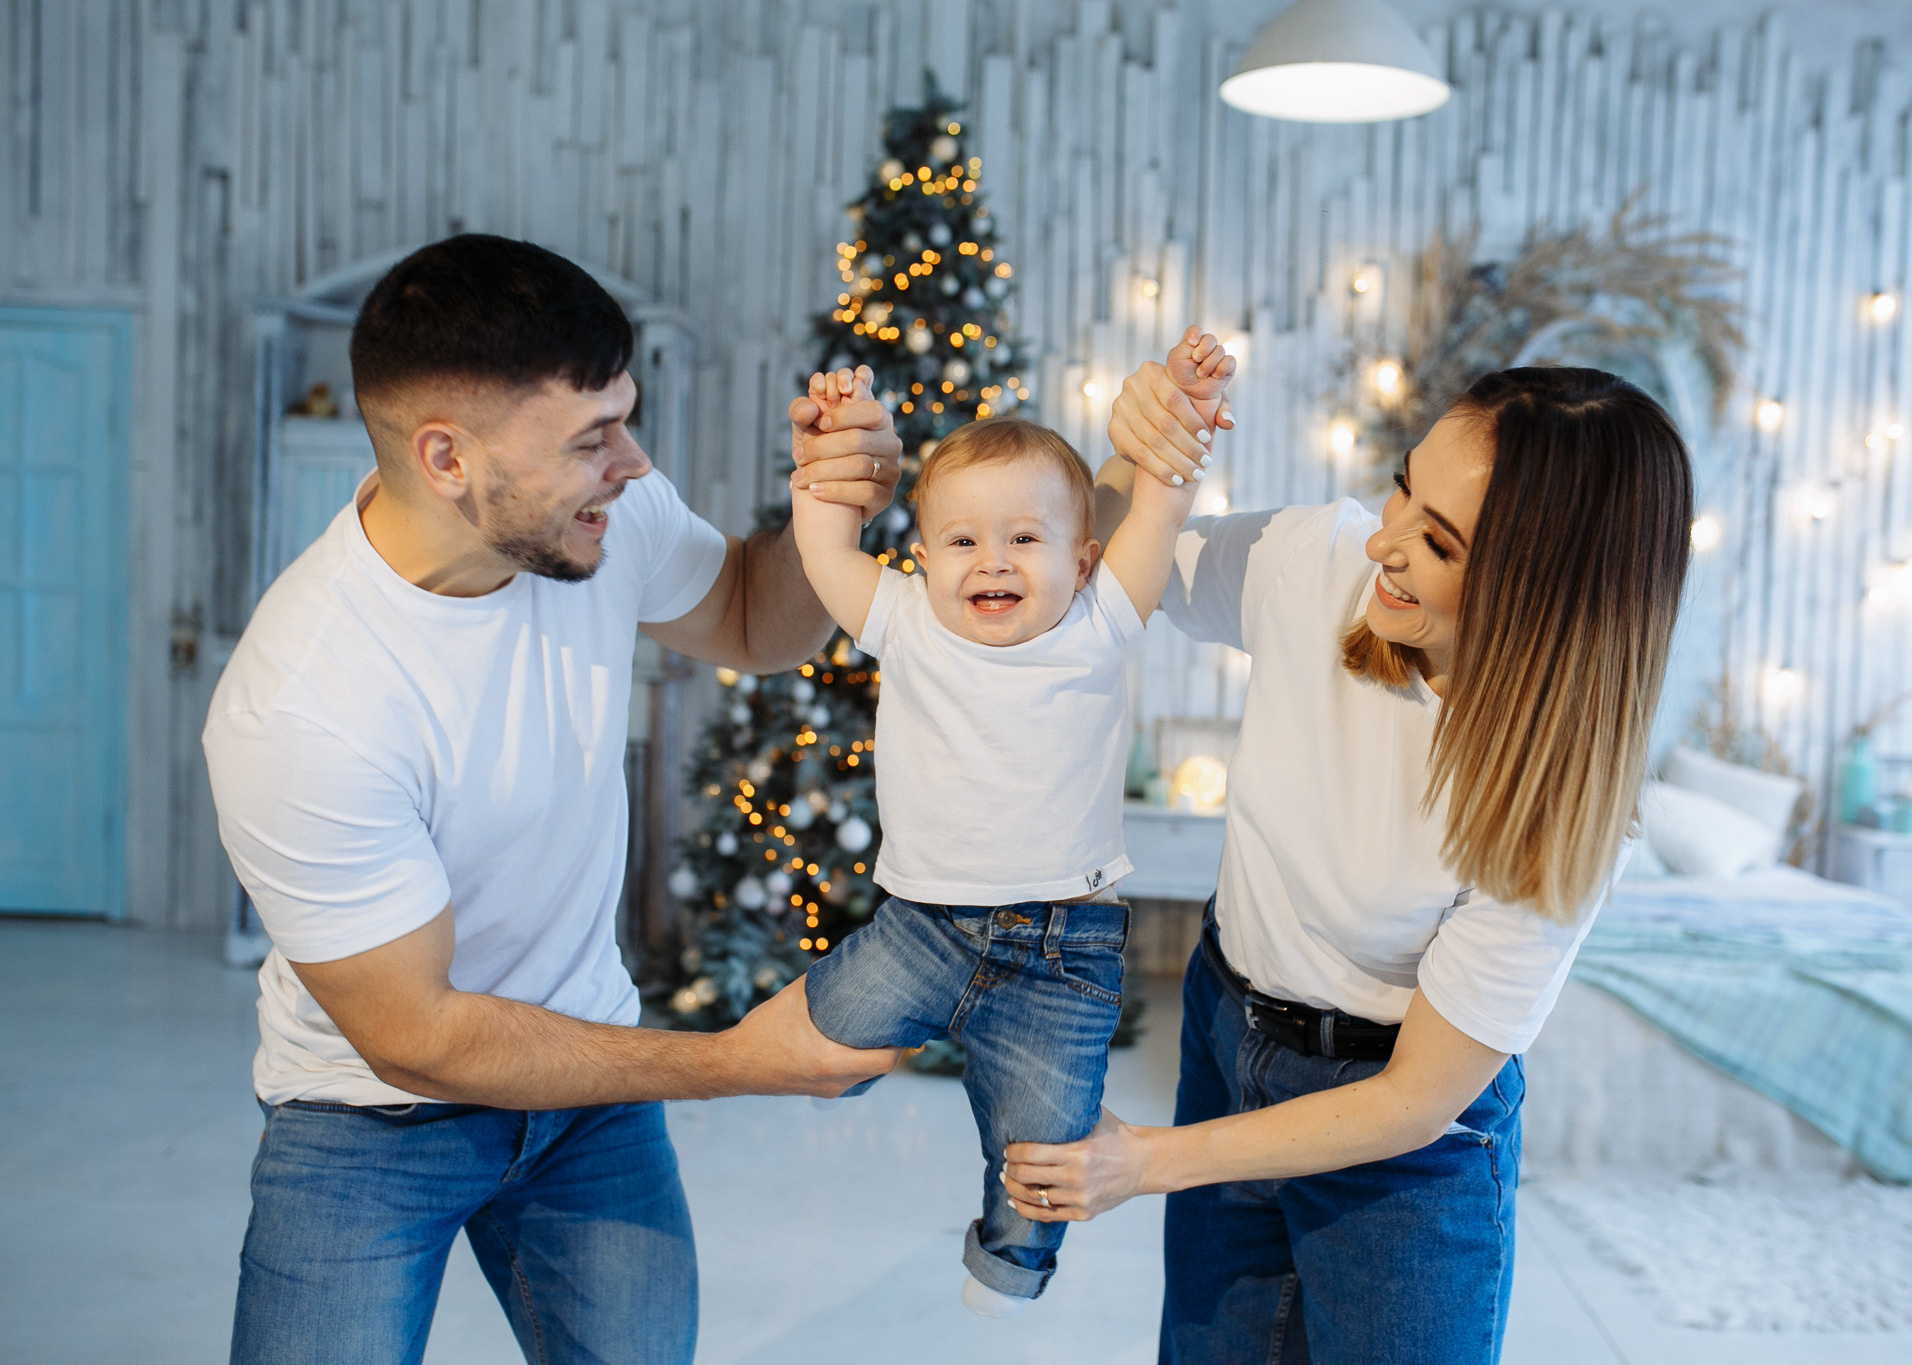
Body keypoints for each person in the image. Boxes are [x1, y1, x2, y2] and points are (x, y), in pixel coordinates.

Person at [203, 234, 903, 1365]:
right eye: (590, 438)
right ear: (446, 458)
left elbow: (747, 619)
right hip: (366, 1118)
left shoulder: (598, 518)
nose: (632, 461)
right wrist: (736, 1061)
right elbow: (420, 1037)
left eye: (623, 418)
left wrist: (827, 510)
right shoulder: (302, 706)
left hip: (588, 1096)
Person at [998, 331, 1694, 1365]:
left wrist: (1146, 1160)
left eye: (1439, 543)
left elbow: (1414, 1099)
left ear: (1545, 591)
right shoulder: (1317, 561)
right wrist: (1140, 454)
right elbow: (1099, 568)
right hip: (1226, 1032)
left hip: (1402, 1149)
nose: (1383, 543)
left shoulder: (1555, 810)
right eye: (1403, 488)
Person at [782, 342, 1228, 1316]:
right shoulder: (905, 619)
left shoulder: (1100, 620)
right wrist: (829, 442)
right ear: (922, 558)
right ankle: (781, 1065)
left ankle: (1010, 1263)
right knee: (815, 1042)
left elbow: (1158, 510)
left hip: (1061, 947)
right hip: (920, 927)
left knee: (1047, 1137)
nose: (991, 560)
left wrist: (1184, 418)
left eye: (1025, 538)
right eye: (962, 541)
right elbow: (823, 551)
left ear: (1082, 560)